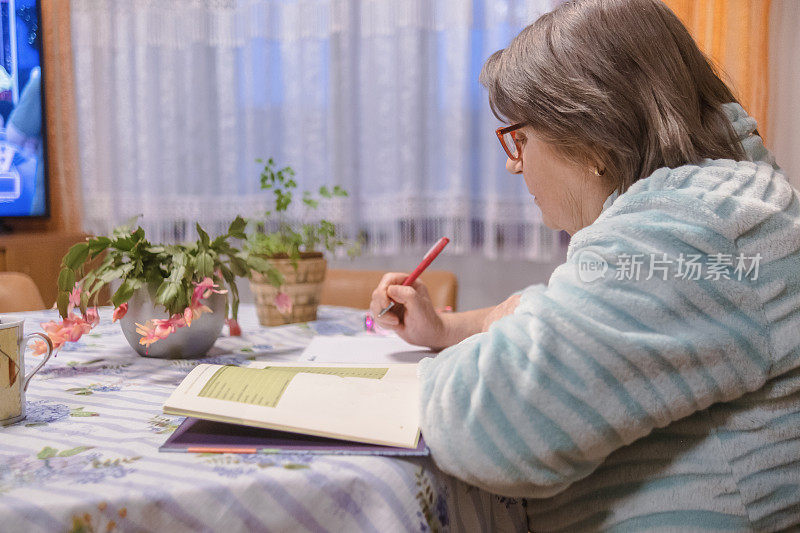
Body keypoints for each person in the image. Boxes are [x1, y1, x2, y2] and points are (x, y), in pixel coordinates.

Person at [369, 0, 800, 530]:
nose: (512, 162)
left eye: (520, 138)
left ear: (591, 133)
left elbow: (494, 423)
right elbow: (593, 319)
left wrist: (411, 382)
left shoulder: (695, 228)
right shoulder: (717, 208)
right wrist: (451, 328)